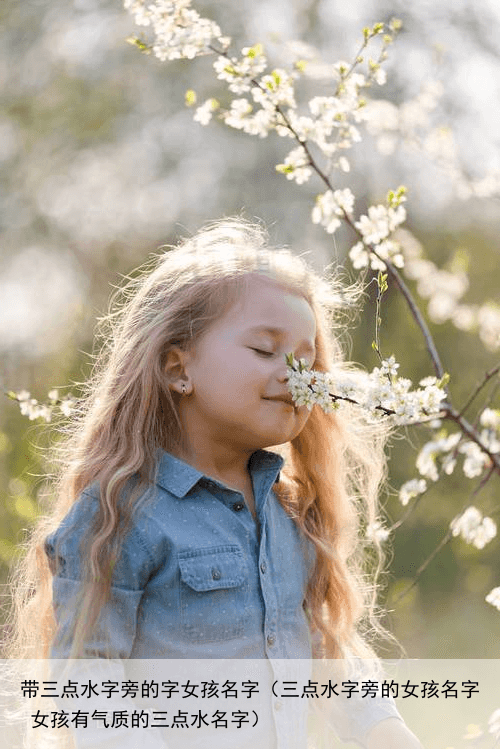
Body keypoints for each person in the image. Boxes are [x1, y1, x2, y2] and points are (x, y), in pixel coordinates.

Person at [6, 218, 423, 749]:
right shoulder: (121, 514)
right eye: (265, 351)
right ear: (178, 367)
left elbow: (330, 657)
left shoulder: (291, 513)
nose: (296, 377)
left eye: (306, 360)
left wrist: (390, 732)